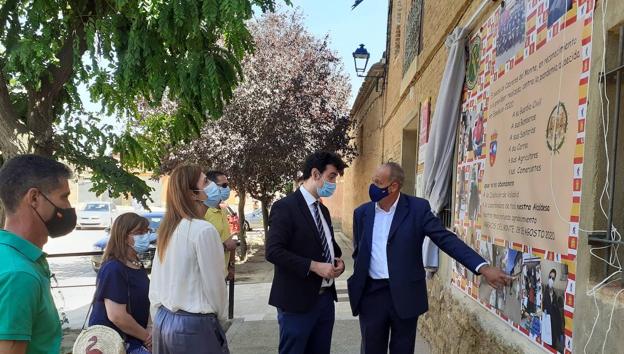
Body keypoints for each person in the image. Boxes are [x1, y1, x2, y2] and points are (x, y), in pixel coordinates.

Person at [348, 163, 511, 354]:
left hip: (406, 293)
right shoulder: (362, 213)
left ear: (393, 186)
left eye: (378, 182)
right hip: (372, 294)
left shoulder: (417, 209)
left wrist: (482, 267)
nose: (373, 186)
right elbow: (360, 250)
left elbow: (446, 240)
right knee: (371, 349)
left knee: (403, 349)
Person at [266, 151, 347, 354]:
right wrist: (314, 266)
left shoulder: (323, 210)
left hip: (325, 299)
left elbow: (329, 247)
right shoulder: (285, 207)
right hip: (296, 301)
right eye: (331, 176)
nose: (333, 183)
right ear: (315, 174)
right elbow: (273, 251)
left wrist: (339, 263)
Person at [0, 155, 76, 354]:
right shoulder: (20, 274)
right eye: (64, 197)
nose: (68, 207)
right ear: (34, 198)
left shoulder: (11, 256)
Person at [149, 164, 228, 353]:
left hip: (164, 320)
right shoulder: (203, 230)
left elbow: (156, 284)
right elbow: (215, 285)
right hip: (193, 326)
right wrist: (219, 320)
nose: (211, 186)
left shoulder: (168, 230)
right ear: (193, 194)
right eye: (205, 181)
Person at [89, 213, 152, 354]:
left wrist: (149, 329)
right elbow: (117, 316)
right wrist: (147, 337)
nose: (145, 236)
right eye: (139, 233)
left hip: (134, 339)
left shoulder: (136, 264)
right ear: (123, 236)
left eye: (147, 231)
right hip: (115, 344)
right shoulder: (114, 268)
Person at [204, 170, 237, 279]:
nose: (227, 188)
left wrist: (231, 266)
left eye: (227, 184)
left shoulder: (223, 210)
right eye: (223, 185)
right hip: (208, 275)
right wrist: (223, 246)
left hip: (222, 273)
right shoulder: (204, 213)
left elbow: (229, 241)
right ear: (212, 187)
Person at [542, 268, 563, 351]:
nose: (551, 280)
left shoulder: (554, 293)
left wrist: (560, 330)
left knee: (553, 345)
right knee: (547, 346)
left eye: (553, 278)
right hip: (547, 324)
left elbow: (556, 309)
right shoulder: (544, 290)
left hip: (553, 324)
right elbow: (543, 306)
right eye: (550, 277)